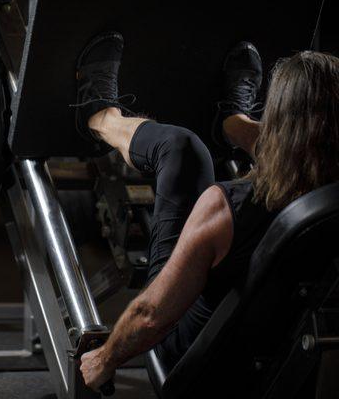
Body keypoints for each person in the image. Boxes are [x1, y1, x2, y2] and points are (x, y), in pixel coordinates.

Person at [73, 32, 339, 391]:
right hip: (287, 363)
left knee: (181, 150)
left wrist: (105, 360)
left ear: (277, 120)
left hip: (198, 360)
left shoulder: (226, 208)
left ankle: (99, 115)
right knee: (309, 156)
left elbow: (150, 317)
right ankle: (232, 122)